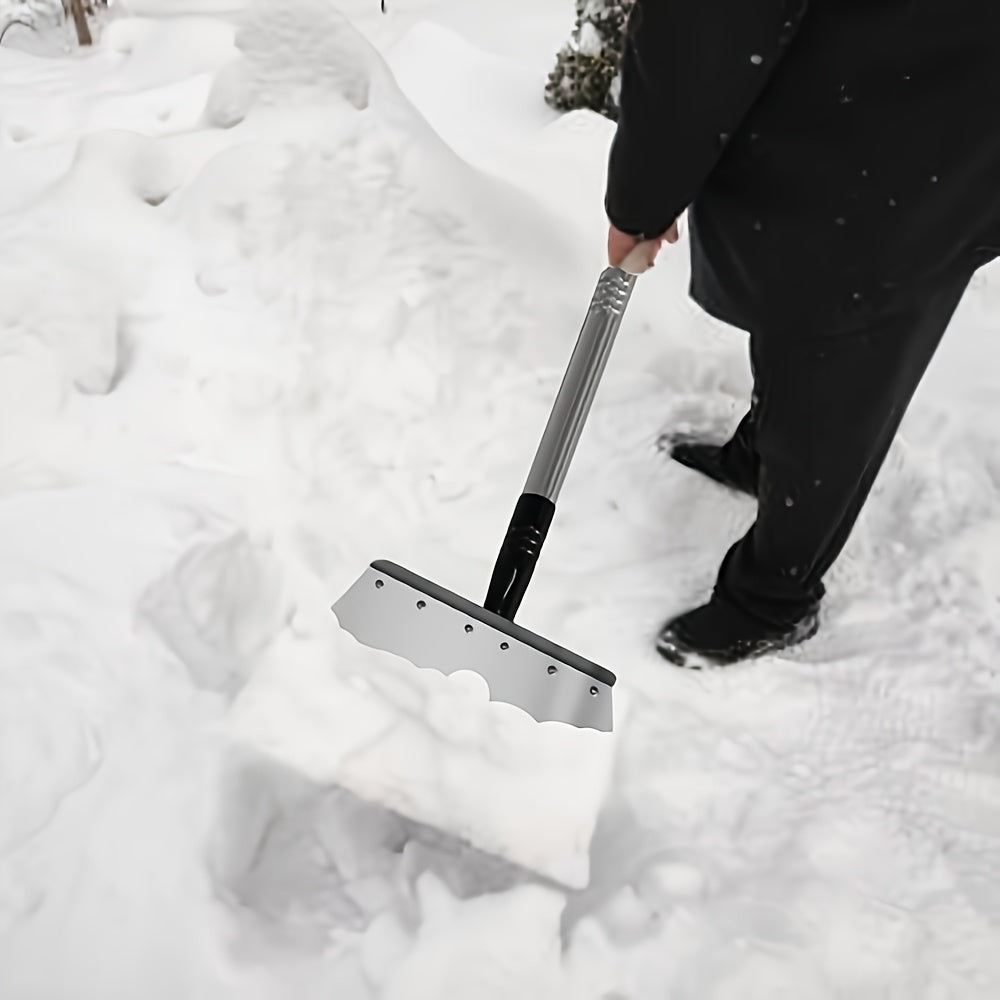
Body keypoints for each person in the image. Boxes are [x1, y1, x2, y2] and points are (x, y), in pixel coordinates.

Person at [604, 1, 1000, 667]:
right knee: (801, 293)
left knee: (846, 354)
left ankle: (774, 599)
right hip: (889, 97)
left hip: (924, 125)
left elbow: (705, 32)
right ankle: (767, 459)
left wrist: (642, 199)